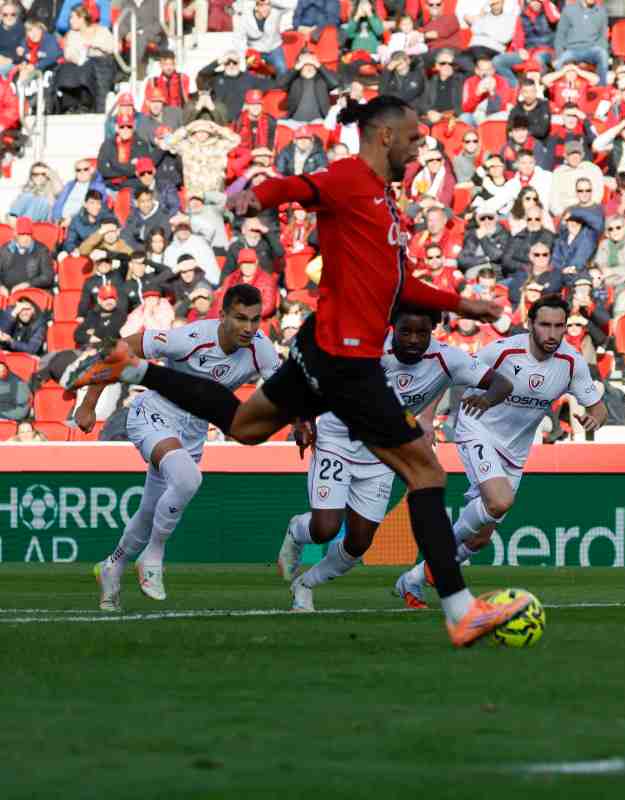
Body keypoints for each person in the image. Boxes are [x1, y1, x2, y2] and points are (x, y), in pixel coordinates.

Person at [67, 96, 530, 648]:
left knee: (244, 428)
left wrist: (460, 306)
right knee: (427, 475)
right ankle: (460, 613)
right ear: (383, 136)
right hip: (350, 363)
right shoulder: (348, 179)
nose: (418, 146)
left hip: (317, 349)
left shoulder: (384, 201)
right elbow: (298, 189)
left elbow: (399, 287)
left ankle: (138, 370)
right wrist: (253, 196)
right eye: (411, 137)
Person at [280, 308, 513, 611]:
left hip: (383, 453)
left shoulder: (448, 359)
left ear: (434, 330)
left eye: (422, 333)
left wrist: (486, 398)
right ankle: (295, 533)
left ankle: (305, 584)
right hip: (337, 438)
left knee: (358, 544)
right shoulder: (367, 348)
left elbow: (502, 383)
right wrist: (302, 419)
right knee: (325, 527)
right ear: (392, 328)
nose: (413, 340)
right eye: (406, 331)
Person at [75, 285, 279, 610]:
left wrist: (301, 423)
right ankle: (153, 557)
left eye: (255, 320)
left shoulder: (261, 349)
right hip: (153, 414)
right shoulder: (188, 338)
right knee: (188, 479)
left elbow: (283, 392)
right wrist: (89, 406)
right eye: (241, 318)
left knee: (148, 512)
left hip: (194, 432)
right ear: (222, 315)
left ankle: (112, 568)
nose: (249, 328)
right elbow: (118, 352)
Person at [395, 296, 606, 598]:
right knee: (498, 501)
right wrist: (427, 418)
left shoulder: (571, 362)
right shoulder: (502, 351)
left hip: (515, 451)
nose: (552, 333)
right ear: (531, 324)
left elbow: (598, 407)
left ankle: (415, 578)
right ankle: (437, 553)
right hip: (476, 427)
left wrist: (594, 419)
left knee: (480, 538)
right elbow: (451, 373)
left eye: (559, 326)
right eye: (545, 325)